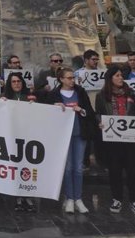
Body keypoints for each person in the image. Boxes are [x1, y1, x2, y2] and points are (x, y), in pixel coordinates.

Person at [95, 67, 135, 216]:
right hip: (113, 140)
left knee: (133, 171)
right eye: (117, 76)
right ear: (110, 78)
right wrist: (100, 122)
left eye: (121, 76)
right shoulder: (102, 95)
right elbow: (98, 113)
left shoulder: (132, 93)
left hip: (131, 139)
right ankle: (117, 198)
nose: (120, 78)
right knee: (115, 170)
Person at [46, 67, 96, 214]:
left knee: (78, 167)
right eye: (68, 78)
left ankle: (78, 198)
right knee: (67, 168)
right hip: (63, 136)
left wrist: (81, 110)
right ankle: (69, 198)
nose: (72, 80)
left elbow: (90, 112)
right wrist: (55, 107)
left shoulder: (80, 92)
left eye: (73, 77)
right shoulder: (54, 94)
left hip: (80, 133)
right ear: (61, 79)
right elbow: (46, 113)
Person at [1, 72, 37, 212]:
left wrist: (35, 105)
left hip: (28, 136)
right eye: (13, 81)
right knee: (15, 166)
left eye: (19, 81)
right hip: (12, 137)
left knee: (27, 166)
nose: (16, 84)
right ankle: (17, 197)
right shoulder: (5, 98)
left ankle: (27, 196)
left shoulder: (30, 97)